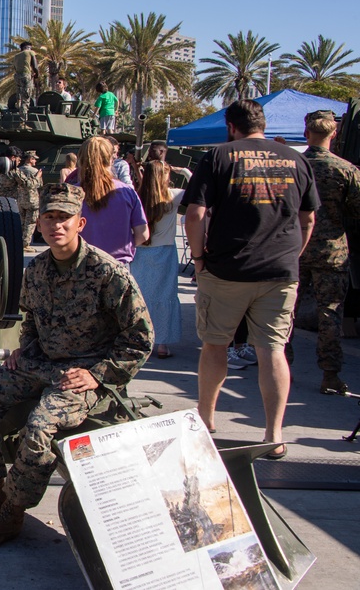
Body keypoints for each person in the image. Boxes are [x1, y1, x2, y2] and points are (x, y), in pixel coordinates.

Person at [0, 183, 152, 550]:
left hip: (81, 375)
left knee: (39, 428)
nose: (55, 225)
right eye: (48, 218)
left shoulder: (107, 274)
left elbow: (140, 338)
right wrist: (23, 349)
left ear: (80, 223)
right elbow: (31, 320)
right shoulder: (38, 270)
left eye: (63, 218)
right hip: (40, 363)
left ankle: (13, 513)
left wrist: (98, 374)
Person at [183, 99, 318, 459]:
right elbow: (308, 220)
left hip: (227, 269)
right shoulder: (296, 159)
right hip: (280, 271)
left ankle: (206, 420)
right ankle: (273, 435)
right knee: (272, 351)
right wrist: (293, 256)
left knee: (215, 345)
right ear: (262, 122)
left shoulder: (218, 156)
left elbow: (195, 215)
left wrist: (198, 261)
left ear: (231, 125)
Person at [296, 110, 360, 395]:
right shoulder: (346, 169)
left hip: (293, 248)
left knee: (283, 311)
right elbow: (356, 211)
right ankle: (330, 375)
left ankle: (280, 365)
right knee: (330, 313)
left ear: (306, 132)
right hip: (332, 251)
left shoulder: (293, 166)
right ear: (334, 134)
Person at [132, 160, 185, 359]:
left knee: (141, 297)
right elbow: (198, 189)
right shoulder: (174, 196)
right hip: (165, 252)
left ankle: (140, 339)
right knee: (164, 296)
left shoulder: (137, 196)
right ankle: (162, 344)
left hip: (140, 251)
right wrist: (185, 171)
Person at [75, 136, 149, 267]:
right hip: (117, 266)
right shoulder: (127, 192)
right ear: (111, 159)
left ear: (80, 159)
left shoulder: (72, 194)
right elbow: (143, 234)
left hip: (80, 266)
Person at [12, 150, 43, 253]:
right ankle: (25, 244)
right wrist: (38, 177)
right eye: (34, 159)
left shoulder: (19, 169)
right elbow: (39, 185)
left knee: (21, 221)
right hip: (32, 200)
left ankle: (18, 241)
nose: (35, 161)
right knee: (30, 222)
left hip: (20, 199)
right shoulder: (34, 171)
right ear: (30, 159)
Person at [12, 41, 40, 110]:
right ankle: (23, 118)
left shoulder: (16, 56)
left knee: (19, 96)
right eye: (30, 48)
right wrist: (37, 75)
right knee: (26, 99)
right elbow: (35, 67)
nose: (30, 49)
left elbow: (15, 68)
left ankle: (18, 106)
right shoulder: (30, 52)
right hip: (26, 76)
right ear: (27, 48)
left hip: (17, 77)